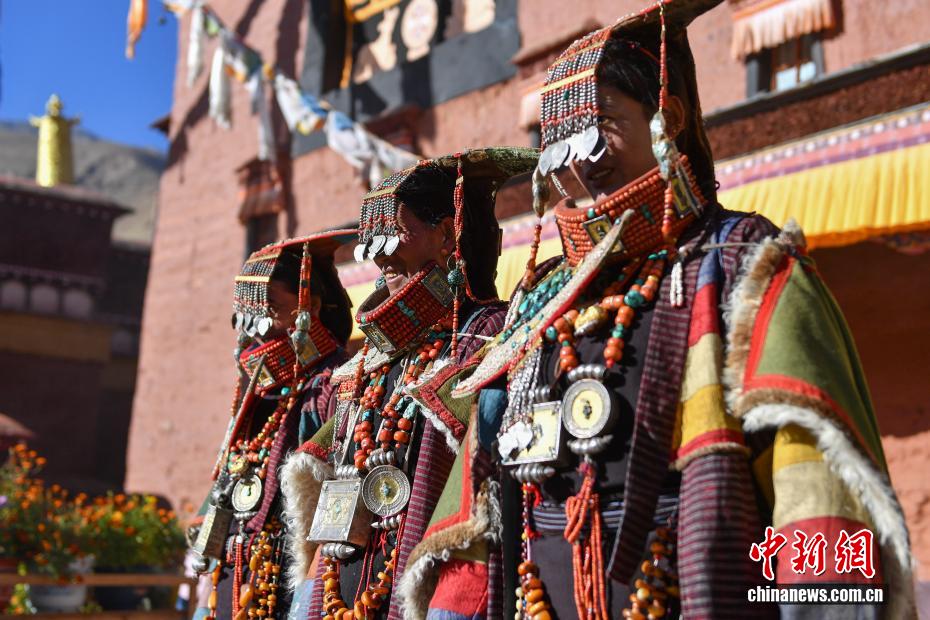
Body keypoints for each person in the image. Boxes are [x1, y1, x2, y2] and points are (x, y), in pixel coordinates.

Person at [411, 1, 915, 619]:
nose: (581, 160)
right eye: (562, 143)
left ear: (666, 118)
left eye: (601, 126)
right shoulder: (539, 297)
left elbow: (813, 487)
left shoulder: (741, 262)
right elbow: (482, 498)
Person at [281, 148, 538, 619]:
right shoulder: (371, 361)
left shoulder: (486, 335)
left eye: (392, 236)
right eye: (371, 245)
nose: (380, 258)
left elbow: (480, 498)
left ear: (446, 235)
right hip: (343, 592)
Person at [187, 230, 355, 620]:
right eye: (248, 315)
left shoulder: (334, 383)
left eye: (269, 310)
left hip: (288, 576)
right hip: (234, 568)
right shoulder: (257, 390)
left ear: (310, 307)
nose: (257, 329)